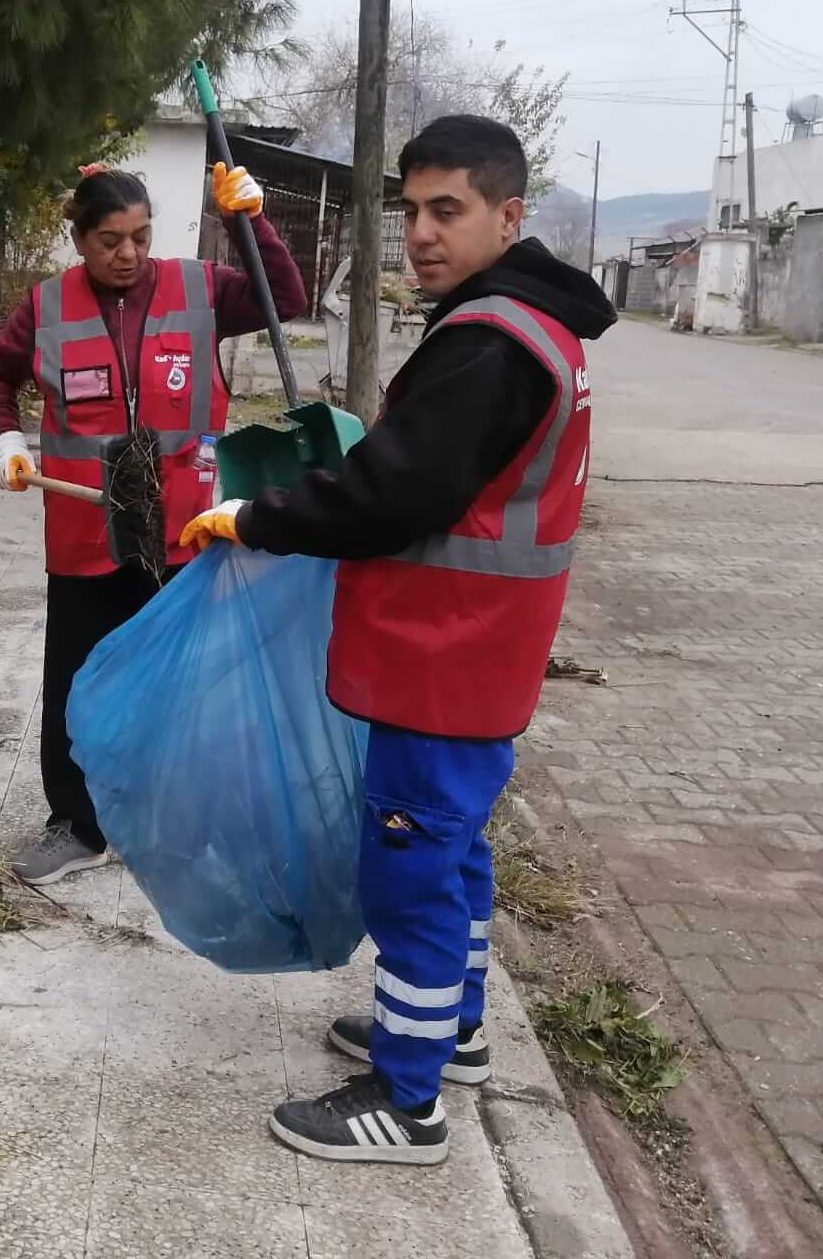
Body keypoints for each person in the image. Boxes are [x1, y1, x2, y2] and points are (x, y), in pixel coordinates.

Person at [180, 114, 617, 1166]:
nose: (419, 233)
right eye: (409, 211)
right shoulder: (527, 327)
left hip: (442, 657)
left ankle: (406, 1098)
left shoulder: (486, 342)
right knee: (455, 860)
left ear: (507, 216)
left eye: (445, 210)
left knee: (408, 875)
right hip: (478, 661)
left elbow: (391, 495)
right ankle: (449, 1030)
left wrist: (258, 518)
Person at [0, 160, 309, 885]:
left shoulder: (201, 289)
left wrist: (253, 221)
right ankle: (77, 825)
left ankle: (171, 821)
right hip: (84, 532)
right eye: (108, 240)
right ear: (79, 239)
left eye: (140, 235)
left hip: (182, 534)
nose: (127, 253)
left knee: (183, 684)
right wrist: (2, 439)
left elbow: (286, 297)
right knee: (76, 680)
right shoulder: (45, 308)